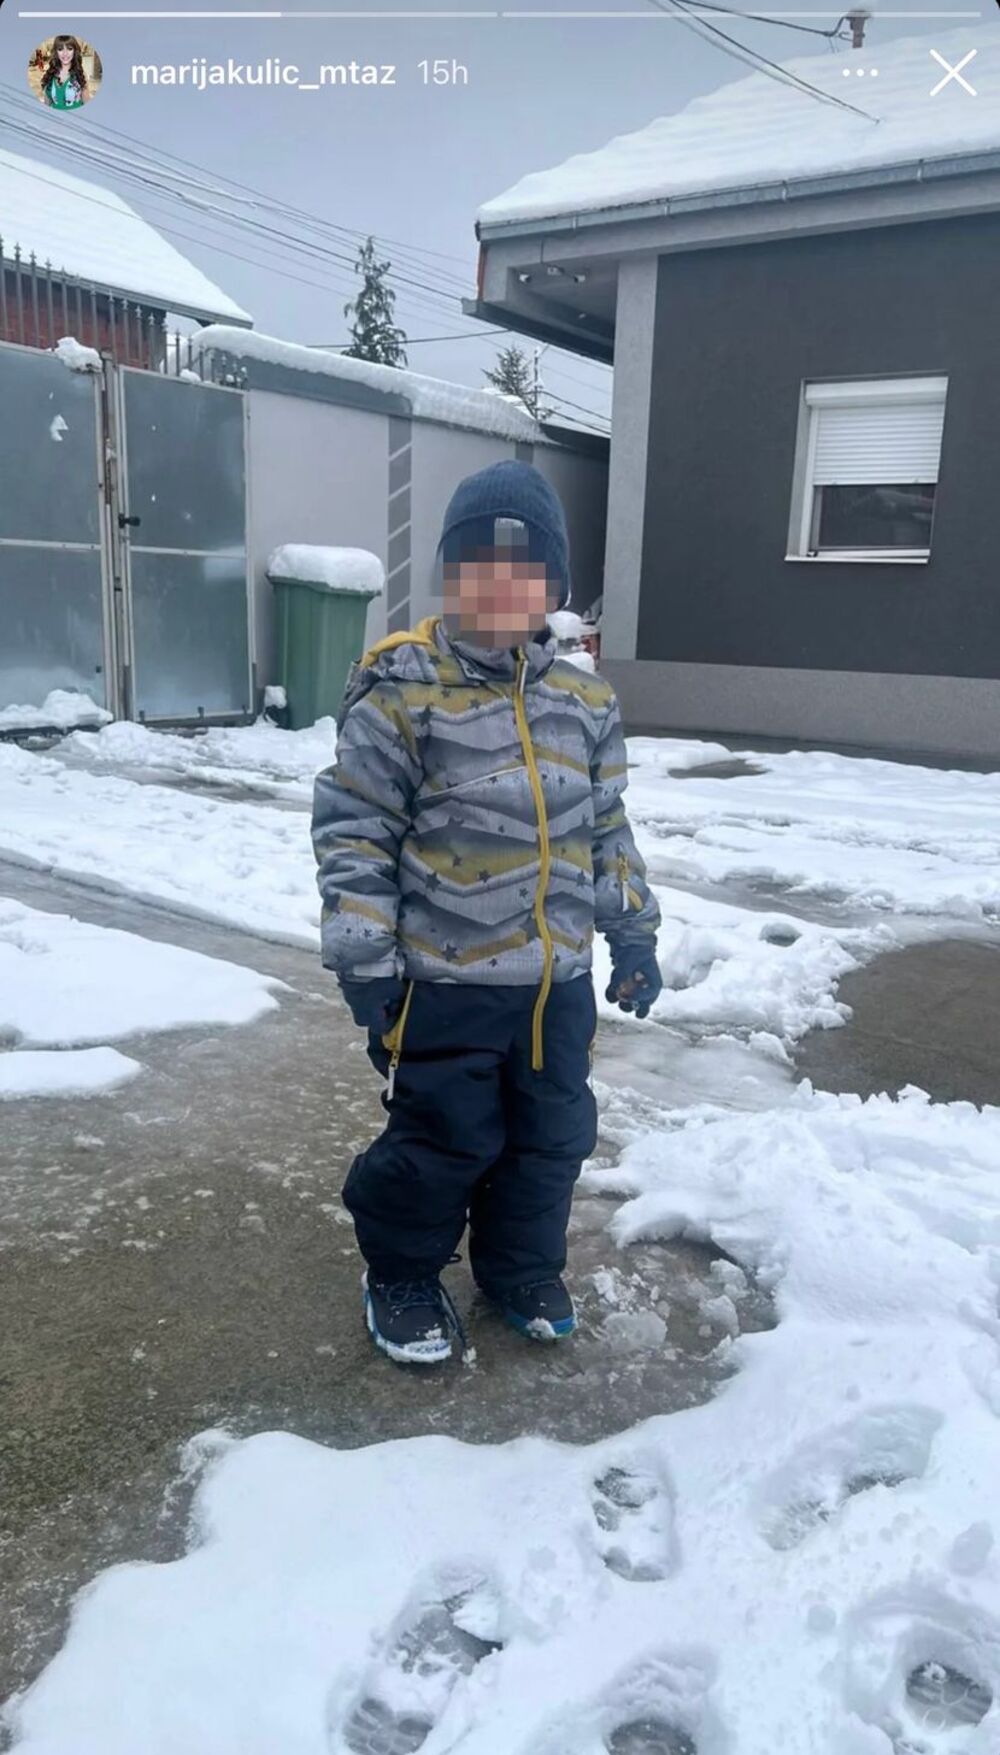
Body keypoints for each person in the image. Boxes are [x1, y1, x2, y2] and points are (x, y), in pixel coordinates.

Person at [311, 461, 662, 1366]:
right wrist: (365, 959)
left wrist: (631, 932)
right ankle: (401, 1273)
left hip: (555, 986)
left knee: (550, 1139)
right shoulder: (404, 690)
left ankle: (518, 1268)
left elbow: (606, 827)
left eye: (524, 569)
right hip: (444, 982)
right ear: (450, 576)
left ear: (555, 587)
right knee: (443, 1139)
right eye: (480, 565)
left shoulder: (583, 701)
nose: (502, 587)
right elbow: (357, 830)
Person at [41, 36, 91, 110]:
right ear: (56, 52)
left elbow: (87, 104)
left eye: (69, 49)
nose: (65, 53)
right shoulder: (50, 74)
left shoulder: (80, 74)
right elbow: (46, 105)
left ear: (74, 51)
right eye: (60, 49)